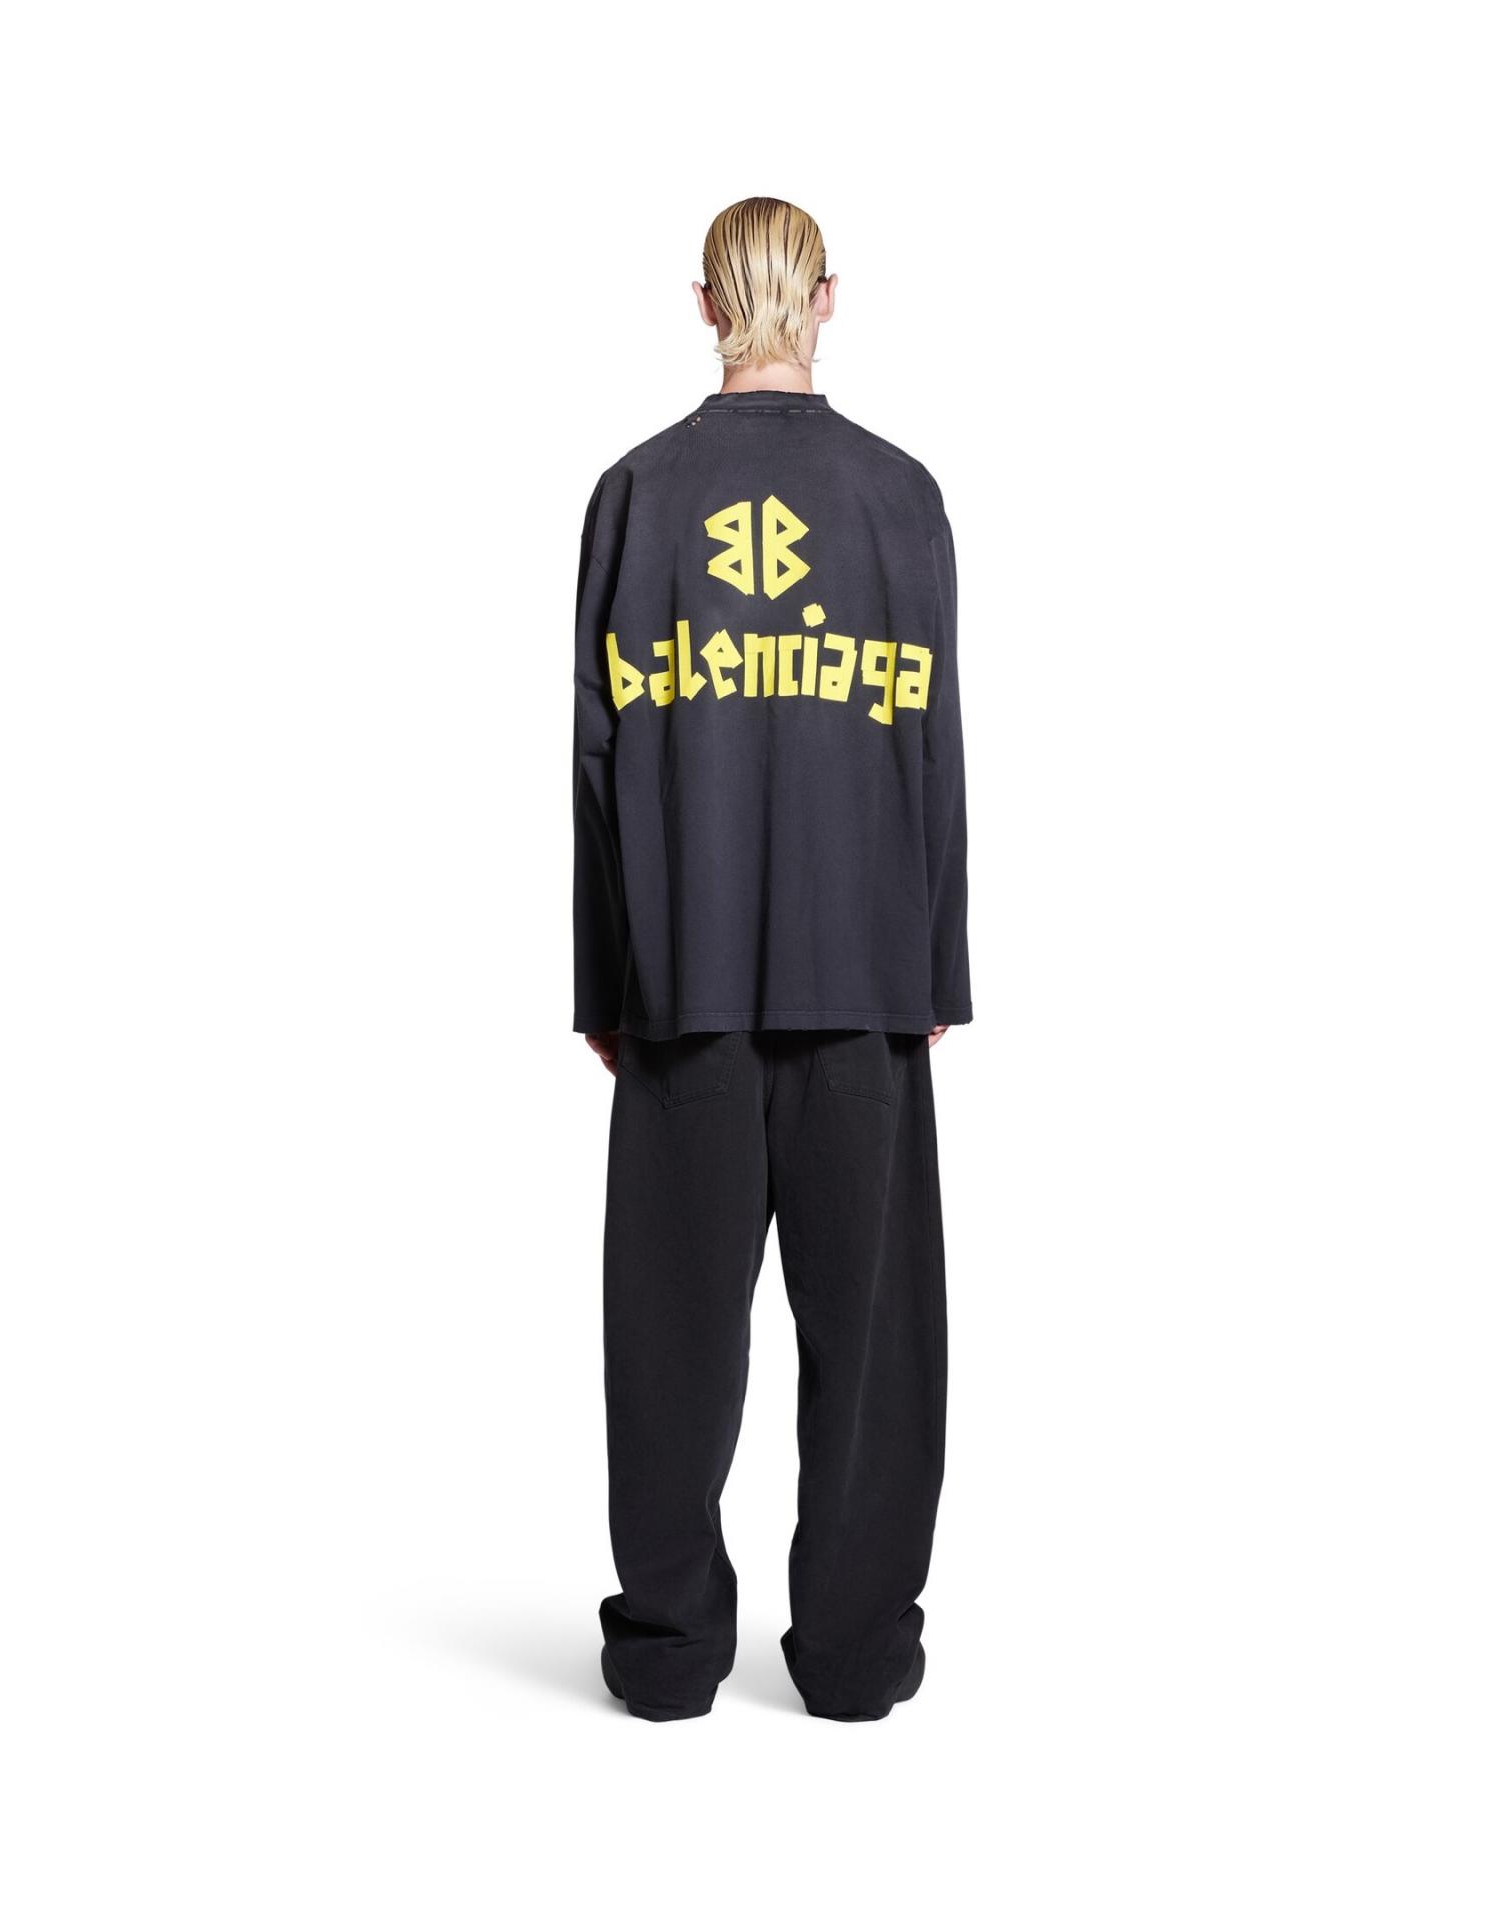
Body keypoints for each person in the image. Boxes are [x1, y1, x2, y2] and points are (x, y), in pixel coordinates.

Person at [572, 196, 971, 1722]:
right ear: (827, 298)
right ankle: (857, 1659)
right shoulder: (900, 498)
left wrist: (606, 981)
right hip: (863, 974)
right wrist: (936, 968)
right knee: (873, 1349)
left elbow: (599, 755)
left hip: (684, 978)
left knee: (670, 1338)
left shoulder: (635, 495)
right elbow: (930, 740)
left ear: (704, 305)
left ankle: (669, 1656)